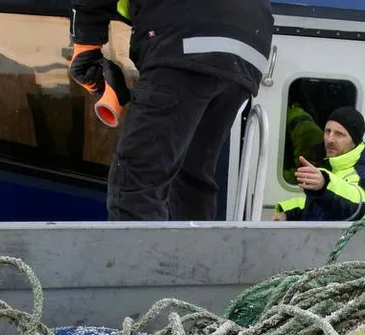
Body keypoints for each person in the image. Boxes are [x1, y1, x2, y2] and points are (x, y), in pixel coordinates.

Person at [68, 0, 274, 221]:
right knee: (192, 178)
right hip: (249, 51)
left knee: (138, 178)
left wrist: (85, 49)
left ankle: (135, 255)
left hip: (187, 39)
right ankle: (189, 254)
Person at [273, 107, 365, 222]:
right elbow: (319, 207)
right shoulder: (336, 164)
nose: (329, 139)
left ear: (354, 140)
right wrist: (289, 214)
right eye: (327, 131)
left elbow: (355, 204)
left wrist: (324, 183)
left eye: (339, 134)